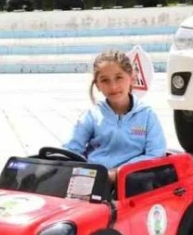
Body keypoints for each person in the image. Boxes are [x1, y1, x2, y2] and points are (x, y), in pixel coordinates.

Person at [63, 50, 167, 184]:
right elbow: (72, 149)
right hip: (96, 180)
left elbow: (156, 154)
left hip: (134, 182)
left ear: (131, 78)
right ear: (97, 85)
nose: (113, 86)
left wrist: (119, 173)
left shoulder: (147, 115)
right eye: (105, 80)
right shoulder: (91, 116)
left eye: (119, 77)